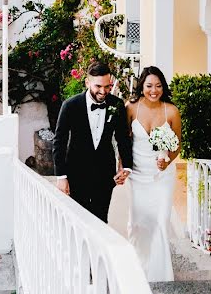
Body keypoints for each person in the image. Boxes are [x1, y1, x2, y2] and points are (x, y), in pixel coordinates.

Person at [53, 60, 134, 223]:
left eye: (107, 86)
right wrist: (61, 176)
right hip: (76, 172)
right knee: (77, 220)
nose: (103, 91)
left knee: (101, 220)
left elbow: (123, 138)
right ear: (87, 82)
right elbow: (59, 141)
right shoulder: (70, 105)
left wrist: (126, 166)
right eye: (98, 86)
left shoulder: (116, 105)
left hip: (105, 174)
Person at [126, 66, 181, 282]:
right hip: (138, 176)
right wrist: (123, 166)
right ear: (142, 86)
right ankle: (137, 269)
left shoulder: (172, 111)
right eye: (149, 85)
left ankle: (160, 276)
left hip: (162, 178)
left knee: (160, 222)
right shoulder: (131, 108)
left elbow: (177, 144)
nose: (154, 90)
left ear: (163, 87)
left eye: (158, 86)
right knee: (138, 223)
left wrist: (167, 161)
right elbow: (123, 141)